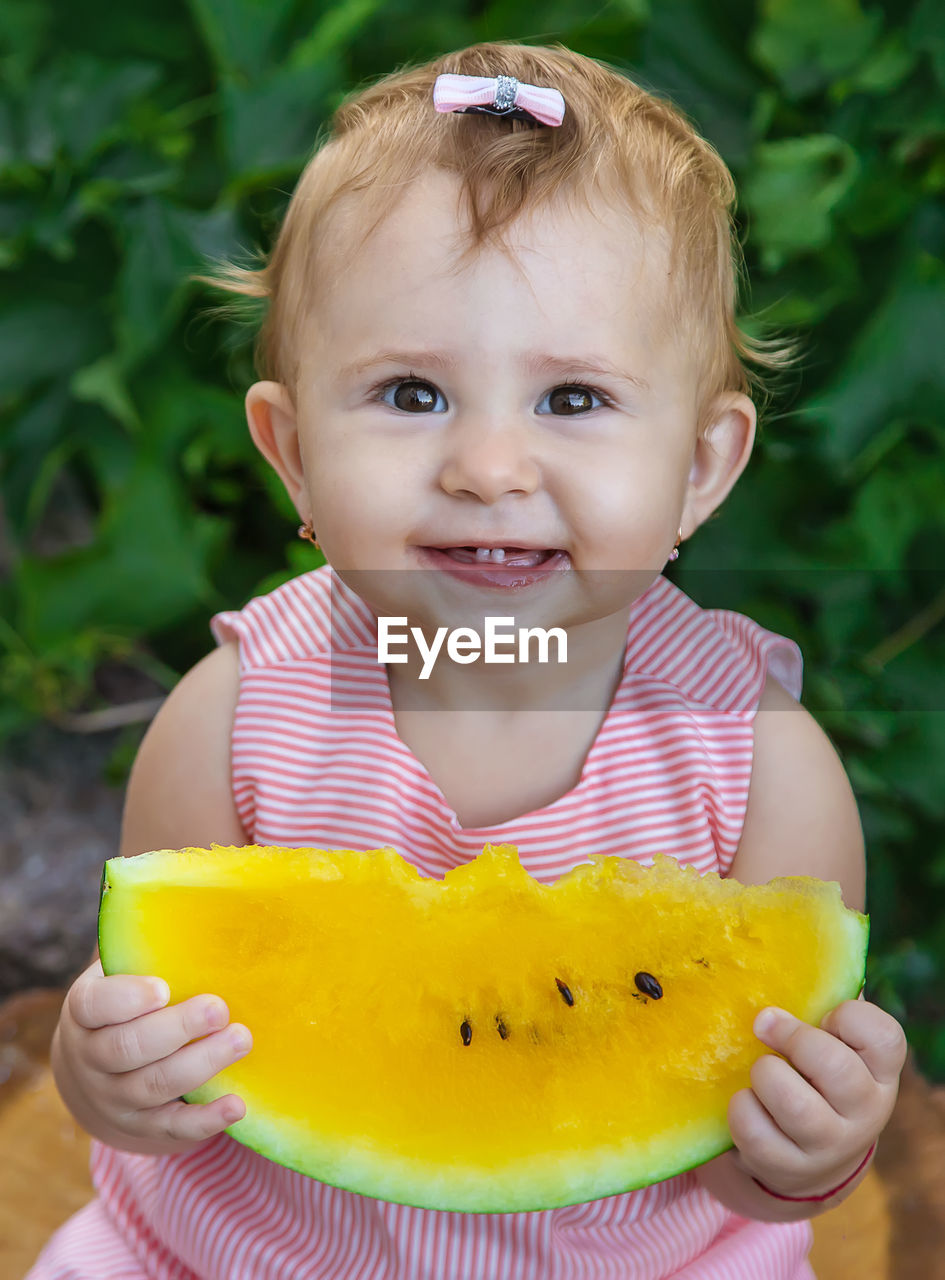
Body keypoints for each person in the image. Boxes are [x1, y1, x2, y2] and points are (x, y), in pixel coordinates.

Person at [29, 40, 907, 1280]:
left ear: (701, 469)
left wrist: (808, 1141)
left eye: (572, 401)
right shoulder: (232, 717)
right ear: (290, 451)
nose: (489, 468)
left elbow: (736, 1146)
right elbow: (162, 1025)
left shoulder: (762, 765)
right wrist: (106, 1073)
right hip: (243, 1257)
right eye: (409, 393)